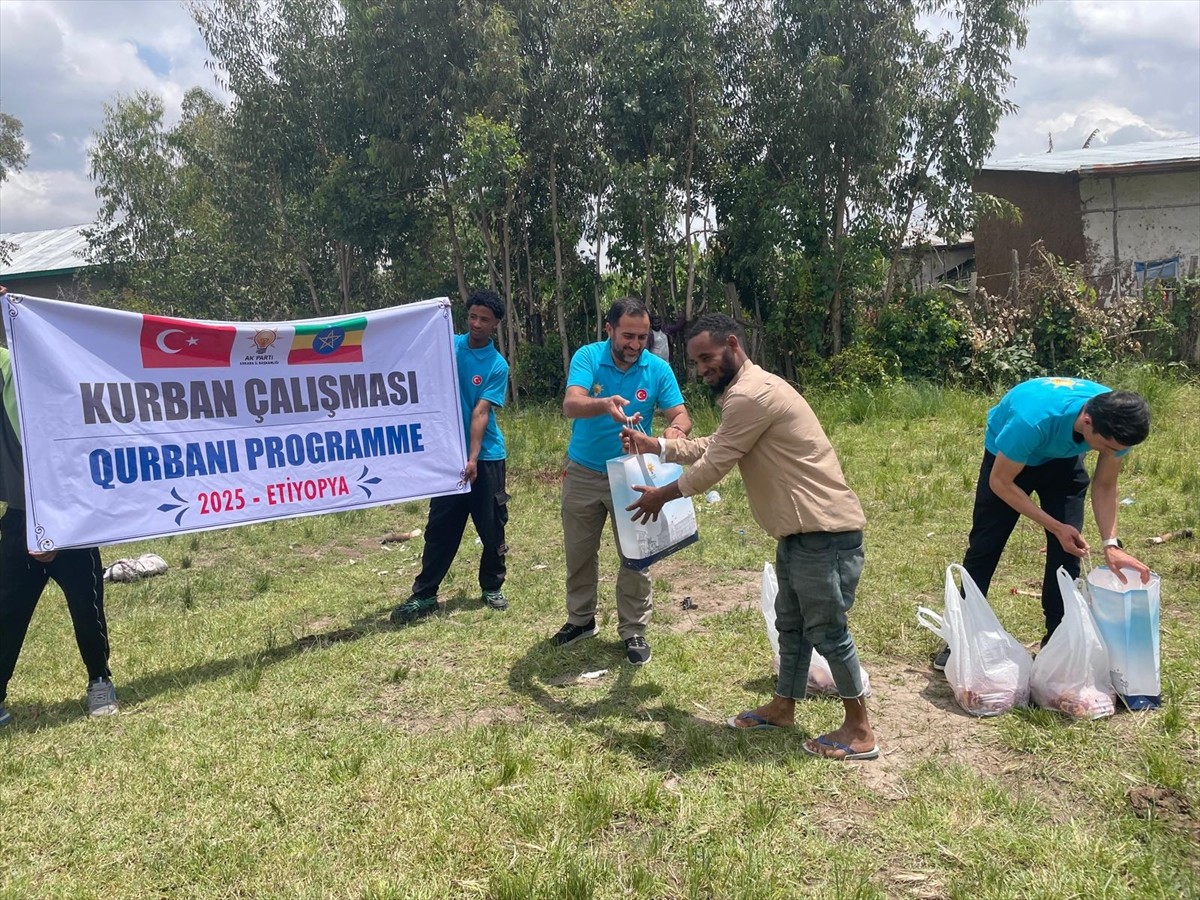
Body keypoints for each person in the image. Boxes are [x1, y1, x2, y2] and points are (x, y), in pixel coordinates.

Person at [623, 314, 877, 760]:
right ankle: (782, 707)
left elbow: (713, 465)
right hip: (800, 533)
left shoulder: (751, 395)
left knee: (827, 630)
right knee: (791, 626)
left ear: (733, 344)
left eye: (707, 357)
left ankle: (859, 730)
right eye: (695, 362)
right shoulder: (748, 393)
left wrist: (662, 495)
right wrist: (657, 446)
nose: (702, 369)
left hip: (824, 533)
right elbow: (715, 445)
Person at [934, 376, 1152, 671]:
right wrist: (1055, 526)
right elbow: (1001, 482)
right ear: (1087, 421)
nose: (1111, 453)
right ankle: (959, 638)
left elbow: (1105, 485)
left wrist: (1110, 545)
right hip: (1009, 458)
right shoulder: (1031, 421)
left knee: (1068, 553)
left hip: (1062, 462)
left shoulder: (1117, 420)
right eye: (1106, 447)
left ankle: (1056, 643)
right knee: (985, 546)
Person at [0, 285, 119, 726]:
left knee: (87, 610)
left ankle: (100, 680)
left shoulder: (61, 382)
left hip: (70, 517)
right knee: (7, 612)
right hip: (20, 519)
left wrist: (53, 523)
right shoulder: (9, 371)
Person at [554, 297, 693, 665]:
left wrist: (675, 431)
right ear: (610, 329)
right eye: (627, 336)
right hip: (583, 472)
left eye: (642, 337)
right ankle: (580, 621)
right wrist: (604, 404)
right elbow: (571, 404)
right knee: (579, 553)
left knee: (637, 555)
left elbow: (680, 414)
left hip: (632, 475)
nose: (635, 345)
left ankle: (633, 629)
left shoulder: (657, 369)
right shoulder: (588, 357)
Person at [390, 289, 512, 624]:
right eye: (472, 316)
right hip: (446, 455)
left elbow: (480, 412)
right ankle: (425, 594)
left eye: (484, 319)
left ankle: (492, 586)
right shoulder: (448, 345)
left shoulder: (497, 366)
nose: (476, 324)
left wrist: (472, 458)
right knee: (441, 527)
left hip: (485, 456)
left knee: (492, 525)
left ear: (496, 324)